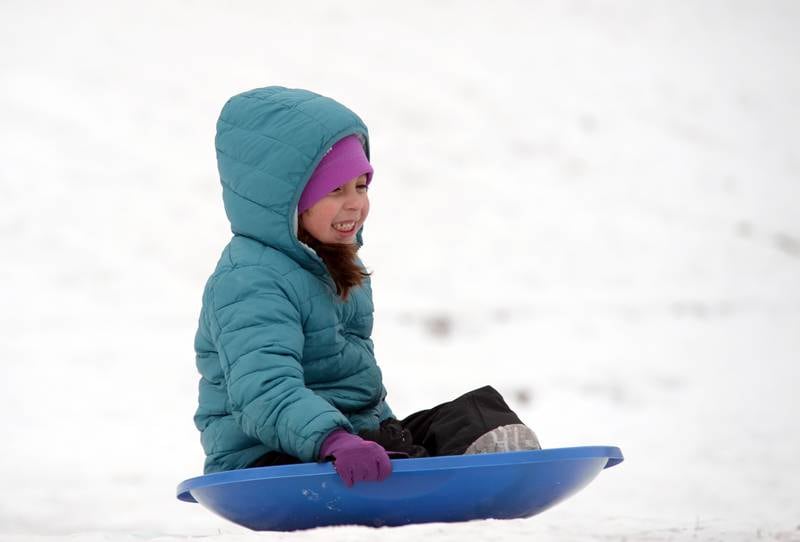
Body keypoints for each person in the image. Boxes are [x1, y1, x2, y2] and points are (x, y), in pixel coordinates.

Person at [193, 86, 540, 487]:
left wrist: (387, 432)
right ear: (286, 201)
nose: (356, 204)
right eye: (336, 189)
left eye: (362, 185)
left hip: (345, 442)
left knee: (474, 415)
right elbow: (264, 392)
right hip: (267, 459)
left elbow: (355, 382)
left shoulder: (338, 265)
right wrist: (335, 439)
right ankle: (439, 477)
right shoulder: (250, 280)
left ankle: (497, 465)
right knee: (404, 459)